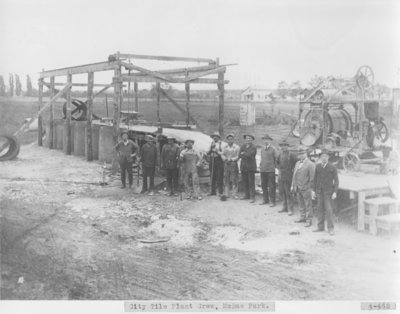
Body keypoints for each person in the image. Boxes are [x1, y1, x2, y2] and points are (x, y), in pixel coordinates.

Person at [312, 149, 339, 236]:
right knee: (319, 209)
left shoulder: (332, 167)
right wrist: (313, 191)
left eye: (325, 156)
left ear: (328, 157)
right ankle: (320, 227)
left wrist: (335, 192)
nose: (324, 158)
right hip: (319, 191)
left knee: (329, 210)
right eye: (322, 156)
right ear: (320, 158)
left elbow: (336, 180)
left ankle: (330, 228)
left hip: (328, 193)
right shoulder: (318, 166)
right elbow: (315, 179)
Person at [291, 147, 315, 227]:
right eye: (300, 154)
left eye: (303, 154)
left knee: (308, 204)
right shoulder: (297, 163)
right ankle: (302, 217)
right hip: (298, 187)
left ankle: (309, 220)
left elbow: (312, 178)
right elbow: (294, 174)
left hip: (306, 188)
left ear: (306, 154)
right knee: (300, 203)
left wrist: (309, 188)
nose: (301, 156)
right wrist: (293, 185)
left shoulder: (310, 164)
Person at [276, 139, 297, 215]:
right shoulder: (279, 154)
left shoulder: (291, 155)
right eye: (282, 145)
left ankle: (290, 209)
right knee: (282, 192)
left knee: (288, 192)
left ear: (288, 146)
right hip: (281, 175)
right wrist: (279, 169)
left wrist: (292, 170)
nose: (283, 147)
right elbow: (277, 162)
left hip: (288, 175)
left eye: (285, 145)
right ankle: (284, 207)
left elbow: (296, 164)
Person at [259, 134, 278, 207]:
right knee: (264, 185)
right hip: (263, 170)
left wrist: (275, 168)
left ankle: (272, 201)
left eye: (267, 139)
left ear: (270, 140)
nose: (265, 141)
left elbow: (276, 158)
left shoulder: (273, 149)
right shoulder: (262, 148)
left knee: (271, 186)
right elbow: (262, 159)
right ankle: (265, 199)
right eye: (264, 139)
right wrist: (261, 166)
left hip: (270, 170)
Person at [239, 134, 257, 203]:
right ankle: (247, 195)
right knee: (245, 181)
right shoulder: (243, 146)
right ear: (245, 139)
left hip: (251, 167)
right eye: (247, 138)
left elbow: (251, 155)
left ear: (252, 140)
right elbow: (239, 155)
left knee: (251, 182)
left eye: (249, 138)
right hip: (244, 167)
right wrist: (244, 154)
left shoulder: (254, 147)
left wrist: (244, 153)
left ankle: (252, 197)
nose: (248, 139)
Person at [221, 133, 240, 199]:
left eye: (231, 139)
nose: (230, 140)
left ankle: (234, 193)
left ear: (233, 139)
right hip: (226, 164)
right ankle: (226, 193)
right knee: (226, 178)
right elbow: (222, 154)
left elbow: (238, 156)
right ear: (227, 140)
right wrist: (225, 159)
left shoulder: (237, 147)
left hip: (233, 164)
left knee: (234, 178)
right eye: (228, 139)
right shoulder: (225, 147)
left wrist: (232, 159)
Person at [208, 132, 224, 196]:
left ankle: (220, 192)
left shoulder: (221, 144)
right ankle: (213, 191)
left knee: (220, 176)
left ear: (218, 137)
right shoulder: (211, 143)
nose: (214, 137)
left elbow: (223, 153)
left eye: (216, 136)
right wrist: (211, 149)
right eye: (213, 136)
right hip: (212, 161)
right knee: (212, 176)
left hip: (219, 161)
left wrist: (216, 151)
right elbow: (208, 153)